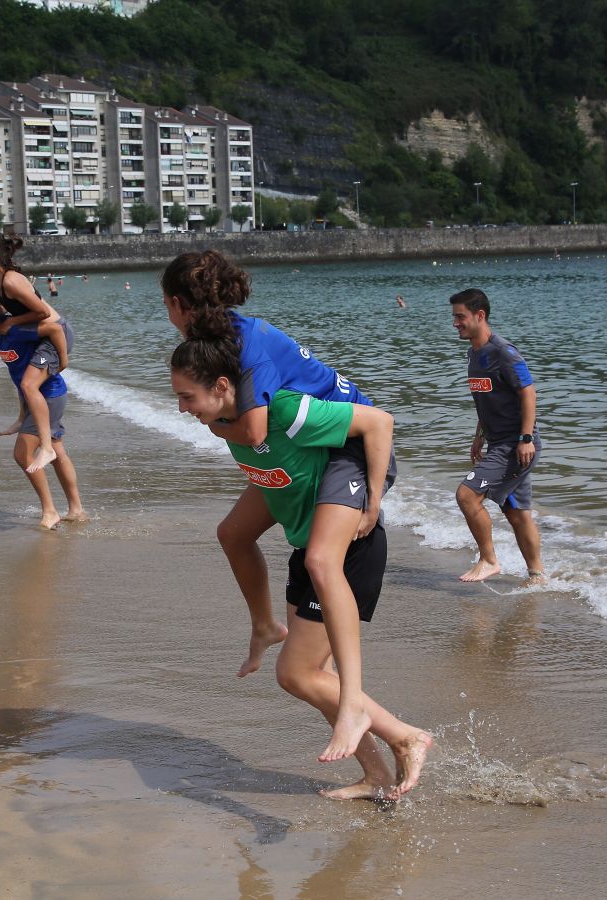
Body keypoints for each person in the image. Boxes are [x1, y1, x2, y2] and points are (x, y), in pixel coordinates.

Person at [170, 329, 431, 798]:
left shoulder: (286, 411)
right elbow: (278, 483)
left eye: (188, 397)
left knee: (298, 674)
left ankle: (405, 736)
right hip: (305, 551)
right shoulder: (226, 425)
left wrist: (372, 501)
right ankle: (376, 775)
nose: (182, 408)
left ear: (224, 386)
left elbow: (378, 422)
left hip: (347, 554)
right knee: (313, 676)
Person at [162, 249, 391, 764]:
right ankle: (265, 625)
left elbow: (256, 429)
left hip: (347, 444)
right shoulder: (212, 345)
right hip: (306, 449)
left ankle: (355, 700)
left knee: (319, 560)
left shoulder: (248, 343)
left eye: (167, 307)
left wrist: (374, 499)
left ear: (179, 303)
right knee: (233, 533)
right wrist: (210, 411)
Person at [0, 286, 85, 530]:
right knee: (58, 454)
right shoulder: (0, 336)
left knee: (22, 454)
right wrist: (21, 416)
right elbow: (20, 378)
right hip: (40, 400)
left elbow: (54, 328)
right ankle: (76, 509)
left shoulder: (13, 329)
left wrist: (63, 359)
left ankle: (50, 511)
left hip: (48, 397)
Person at [450, 289, 546, 586]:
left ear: (480, 315)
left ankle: (489, 560)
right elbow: (487, 398)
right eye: (454, 317)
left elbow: (528, 392)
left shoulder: (503, 351)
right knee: (517, 512)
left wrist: (526, 438)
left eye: (460, 317)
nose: (455, 323)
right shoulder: (474, 354)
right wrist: (479, 435)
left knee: (466, 495)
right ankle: (538, 576)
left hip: (515, 445)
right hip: (498, 442)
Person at [0, 235, 71, 473]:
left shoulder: (11, 280)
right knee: (23, 377)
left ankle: (46, 446)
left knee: (28, 384)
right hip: (45, 334)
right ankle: (27, 421)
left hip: (56, 333)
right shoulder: (0, 284)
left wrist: (12, 322)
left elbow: (43, 313)